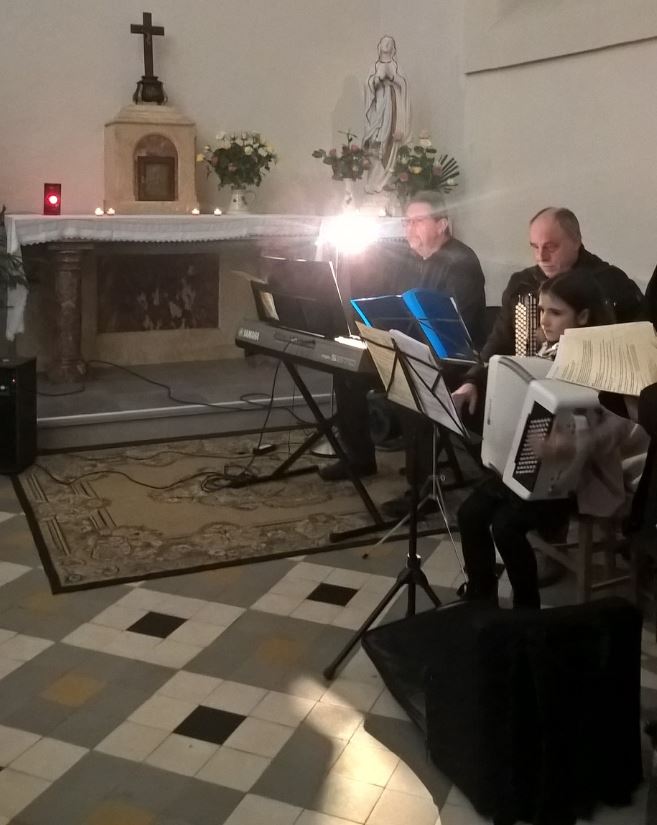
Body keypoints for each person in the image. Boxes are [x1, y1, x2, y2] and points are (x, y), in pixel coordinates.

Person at [457, 271, 647, 609]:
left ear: (584, 317)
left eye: (555, 312)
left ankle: (526, 611)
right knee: (470, 512)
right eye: (542, 310)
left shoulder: (605, 362)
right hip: (542, 469)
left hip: (583, 480)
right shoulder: (548, 351)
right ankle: (480, 596)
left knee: (506, 526)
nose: (544, 320)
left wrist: (573, 445)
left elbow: (622, 427)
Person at [319, 190, 486, 482]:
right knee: (346, 370)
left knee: (413, 381)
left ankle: (421, 488)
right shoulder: (408, 260)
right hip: (406, 350)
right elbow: (385, 304)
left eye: (417, 221)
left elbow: (461, 327)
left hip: (448, 360)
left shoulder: (461, 263)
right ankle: (359, 458)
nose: (409, 228)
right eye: (407, 222)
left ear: (442, 225)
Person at [452, 207, 644, 418]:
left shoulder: (611, 283)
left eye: (551, 247)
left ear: (576, 241)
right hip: (526, 390)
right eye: (535, 247)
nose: (541, 257)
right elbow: (500, 339)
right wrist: (472, 380)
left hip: (593, 406)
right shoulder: (523, 284)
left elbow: (638, 354)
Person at [363, 35, 411, 194]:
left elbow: (404, 85)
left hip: (394, 108)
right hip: (379, 107)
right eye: (384, 41)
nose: (387, 43)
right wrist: (378, 78)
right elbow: (368, 87)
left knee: (390, 142)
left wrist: (392, 77)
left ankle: (386, 181)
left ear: (393, 48)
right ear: (379, 46)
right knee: (376, 142)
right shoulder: (375, 66)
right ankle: (374, 181)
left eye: (390, 42)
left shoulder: (396, 66)